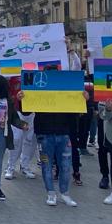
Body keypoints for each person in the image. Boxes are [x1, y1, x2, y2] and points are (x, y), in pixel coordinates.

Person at [33, 67, 79, 207]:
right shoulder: (37, 89)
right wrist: (22, 99)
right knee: (46, 165)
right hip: (44, 134)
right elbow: (27, 110)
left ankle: (64, 193)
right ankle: (51, 193)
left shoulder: (65, 90)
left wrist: (82, 100)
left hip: (63, 134)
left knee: (65, 166)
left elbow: (74, 112)